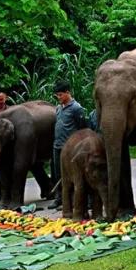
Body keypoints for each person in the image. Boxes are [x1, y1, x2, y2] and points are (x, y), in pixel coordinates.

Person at [51, 80, 88, 208]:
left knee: (72, 175)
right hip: (58, 145)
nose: (59, 98)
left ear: (68, 93)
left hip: (71, 148)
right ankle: (59, 198)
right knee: (58, 174)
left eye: (61, 95)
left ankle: (73, 200)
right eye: (57, 96)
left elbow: (82, 128)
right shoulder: (58, 108)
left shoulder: (76, 108)